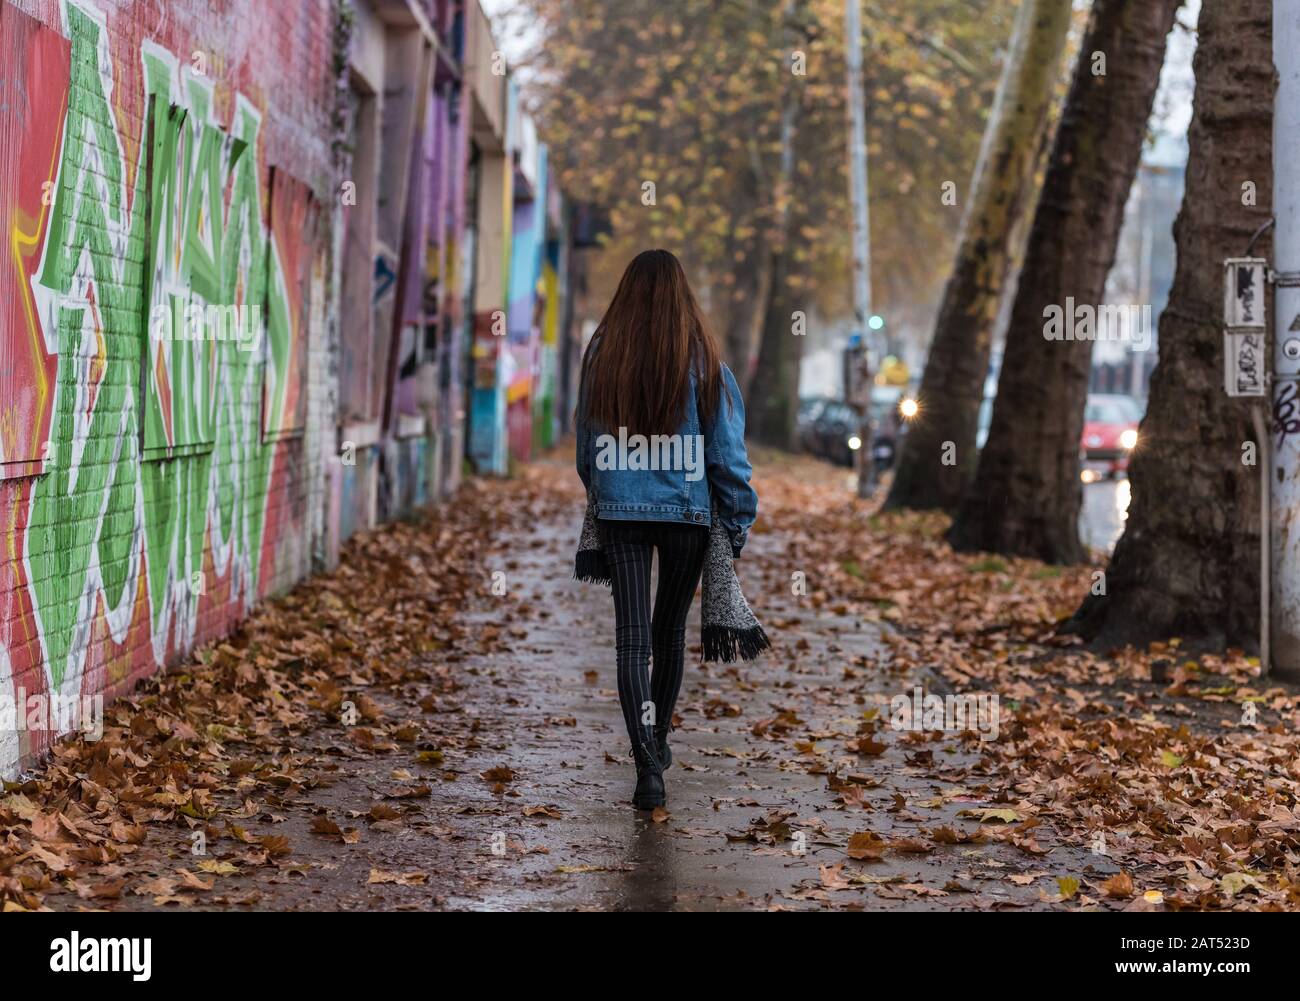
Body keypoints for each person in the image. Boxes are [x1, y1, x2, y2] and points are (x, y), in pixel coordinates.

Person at [575, 249, 758, 811]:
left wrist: (605, 491)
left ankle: (645, 764)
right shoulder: (703, 359)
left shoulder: (602, 356)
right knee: (668, 635)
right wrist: (738, 522)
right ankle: (657, 742)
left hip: (622, 515)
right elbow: (727, 457)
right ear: (684, 299)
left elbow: (587, 449)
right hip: (687, 517)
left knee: (631, 640)